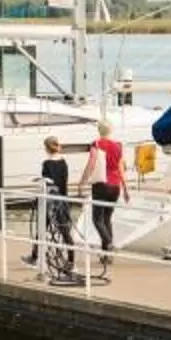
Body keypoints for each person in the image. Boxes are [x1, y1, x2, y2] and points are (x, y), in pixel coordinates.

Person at [85, 118, 127, 276]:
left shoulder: (96, 144)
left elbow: (92, 163)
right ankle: (107, 256)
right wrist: (125, 188)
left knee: (97, 219)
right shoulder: (118, 145)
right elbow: (120, 167)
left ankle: (108, 244)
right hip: (115, 186)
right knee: (107, 218)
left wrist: (83, 180)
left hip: (101, 184)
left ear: (99, 130)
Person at [36, 135, 79, 285]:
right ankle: (71, 260)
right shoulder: (64, 163)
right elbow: (63, 182)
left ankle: (35, 256)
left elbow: (47, 183)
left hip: (51, 201)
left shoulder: (46, 164)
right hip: (63, 199)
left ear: (46, 148)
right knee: (65, 231)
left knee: (42, 227)